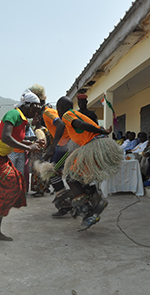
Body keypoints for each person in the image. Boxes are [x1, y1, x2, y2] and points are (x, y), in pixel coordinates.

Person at [0, 89, 42, 241]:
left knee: (16, 183)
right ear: (29, 105)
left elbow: (15, 140)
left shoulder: (22, 120)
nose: (37, 112)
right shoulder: (14, 114)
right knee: (9, 185)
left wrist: (32, 143)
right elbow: (6, 138)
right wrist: (29, 148)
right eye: (36, 108)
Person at [56, 96, 123, 231]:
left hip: (94, 144)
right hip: (96, 144)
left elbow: (79, 125)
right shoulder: (77, 113)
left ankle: (88, 213)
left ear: (60, 109)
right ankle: (98, 200)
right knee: (80, 178)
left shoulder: (67, 115)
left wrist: (101, 130)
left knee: (70, 177)